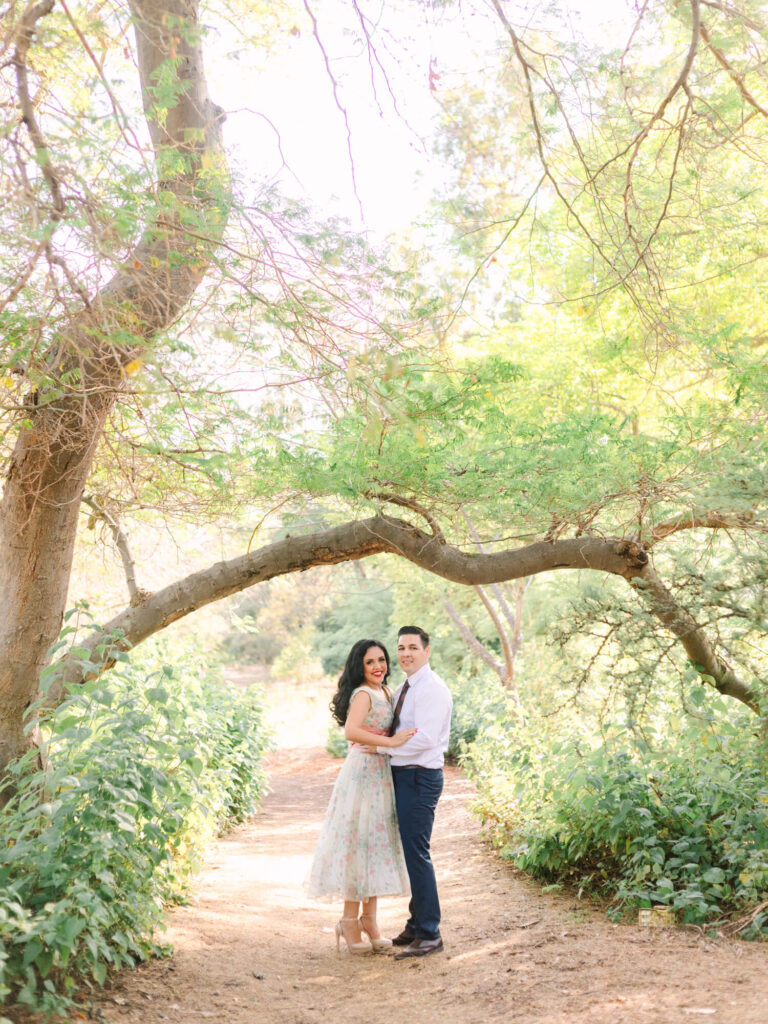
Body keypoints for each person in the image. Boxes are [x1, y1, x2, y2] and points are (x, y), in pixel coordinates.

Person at [305, 638, 416, 954]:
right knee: (359, 843)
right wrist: (391, 743)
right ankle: (348, 920)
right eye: (370, 662)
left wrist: (387, 746)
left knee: (376, 843)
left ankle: (370, 920)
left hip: (380, 771)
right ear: (360, 666)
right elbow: (351, 731)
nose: (378, 666)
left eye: (381, 660)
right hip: (362, 772)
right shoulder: (364, 693)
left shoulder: (386, 691)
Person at [368, 625, 453, 960]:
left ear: (427, 651)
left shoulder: (431, 688)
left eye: (413, 648)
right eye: (401, 648)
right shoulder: (405, 685)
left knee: (418, 854)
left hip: (420, 777)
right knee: (411, 853)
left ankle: (430, 933)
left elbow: (426, 739)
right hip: (404, 776)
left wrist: (384, 750)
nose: (405, 653)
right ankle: (417, 924)